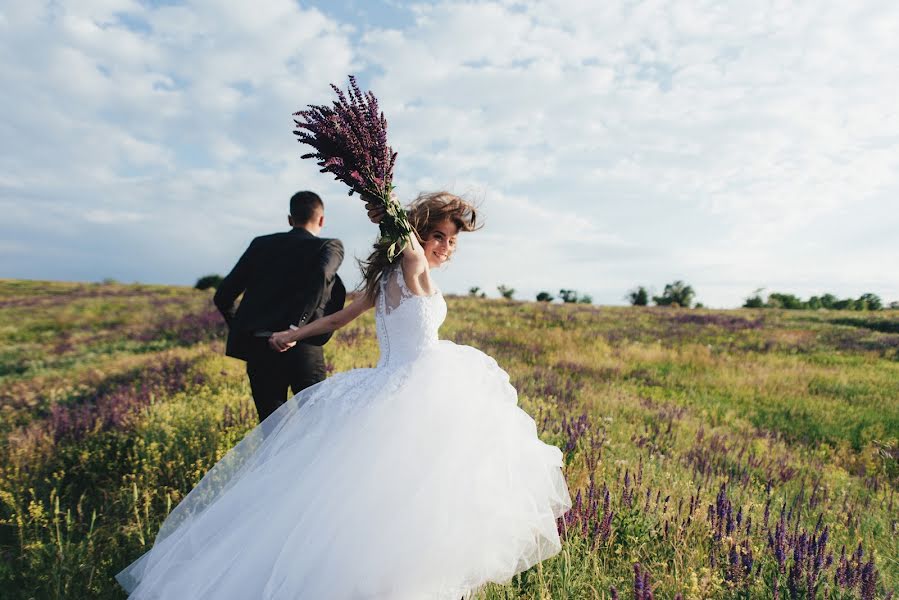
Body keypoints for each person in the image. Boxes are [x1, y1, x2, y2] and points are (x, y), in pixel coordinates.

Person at [117, 192, 571, 599]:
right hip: (416, 385)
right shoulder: (410, 262)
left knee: (404, 496)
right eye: (438, 236)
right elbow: (383, 270)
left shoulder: (390, 272)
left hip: (398, 385)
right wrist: (387, 205)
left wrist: (292, 334)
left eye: (452, 241)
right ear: (417, 233)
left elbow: (337, 319)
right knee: (413, 494)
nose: (444, 248)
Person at [213, 190, 345, 422]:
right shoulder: (328, 246)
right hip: (303, 348)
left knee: (272, 431)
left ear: (290, 219)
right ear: (321, 219)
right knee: (315, 425)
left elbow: (223, 296)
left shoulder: (260, 245)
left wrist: (245, 330)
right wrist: (296, 328)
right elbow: (322, 277)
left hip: (260, 349)